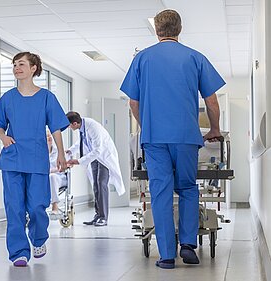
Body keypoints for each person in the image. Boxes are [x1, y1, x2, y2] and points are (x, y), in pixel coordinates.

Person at [120, 9, 224, 269]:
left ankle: (167, 255)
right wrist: (214, 129)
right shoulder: (195, 57)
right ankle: (188, 245)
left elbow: (133, 103)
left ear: (157, 30)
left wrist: (148, 126)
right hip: (186, 137)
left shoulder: (142, 58)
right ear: (179, 29)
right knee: (188, 188)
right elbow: (211, 101)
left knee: (161, 192)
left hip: (155, 139)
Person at [0, 52, 69, 267]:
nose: (17, 68)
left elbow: (56, 128)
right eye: (14, 64)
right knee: (14, 207)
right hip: (12, 158)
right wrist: (3, 136)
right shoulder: (7, 98)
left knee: (36, 206)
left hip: (36, 159)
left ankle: (38, 239)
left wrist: (61, 154)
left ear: (33, 68)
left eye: (21, 64)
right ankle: (18, 252)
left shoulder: (46, 97)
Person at [65, 112, 126, 227]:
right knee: (95, 186)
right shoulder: (82, 126)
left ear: (74, 123)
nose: (69, 128)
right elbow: (82, 142)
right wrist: (70, 151)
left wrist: (78, 161)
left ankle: (103, 217)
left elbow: (98, 150)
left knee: (101, 184)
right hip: (93, 157)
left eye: (69, 125)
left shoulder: (93, 127)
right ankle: (98, 215)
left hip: (103, 157)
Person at [47, 129, 67, 220]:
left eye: (50, 136)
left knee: (52, 176)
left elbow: (63, 167)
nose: (49, 138)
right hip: (44, 179)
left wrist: (52, 170)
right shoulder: (39, 154)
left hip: (59, 178)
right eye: (47, 137)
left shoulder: (58, 152)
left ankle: (55, 206)